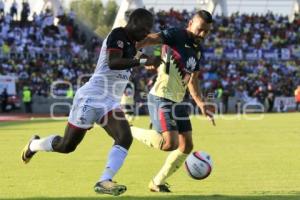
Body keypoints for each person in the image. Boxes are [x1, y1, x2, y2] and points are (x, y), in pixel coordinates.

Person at [21, 8, 161, 196]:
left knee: (125, 137)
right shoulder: (117, 34)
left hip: (110, 102)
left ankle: (104, 180)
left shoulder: (133, 43)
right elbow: (113, 62)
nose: (146, 33)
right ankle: (33, 145)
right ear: (133, 22)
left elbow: (136, 56)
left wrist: (150, 60)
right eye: (144, 28)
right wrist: (143, 62)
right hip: (91, 97)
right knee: (67, 146)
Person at [130, 10, 215, 192]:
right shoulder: (176, 34)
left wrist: (201, 103)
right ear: (191, 23)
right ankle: (127, 130)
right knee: (170, 143)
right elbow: (148, 40)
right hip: (161, 96)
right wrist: (141, 57)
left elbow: (192, 79)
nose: (203, 34)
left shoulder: (197, 51)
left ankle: (157, 182)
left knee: (187, 145)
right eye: (200, 29)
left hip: (178, 101)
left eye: (207, 31)